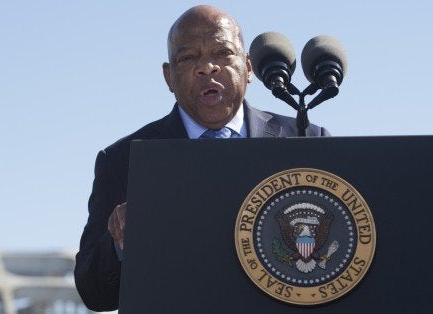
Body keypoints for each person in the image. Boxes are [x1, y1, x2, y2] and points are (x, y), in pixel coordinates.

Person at [74, 5, 329, 311]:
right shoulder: (123, 160)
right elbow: (93, 292)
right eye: (188, 57)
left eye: (223, 53)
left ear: (248, 67)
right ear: (169, 77)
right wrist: (121, 242)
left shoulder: (305, 139)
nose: (207, 67)